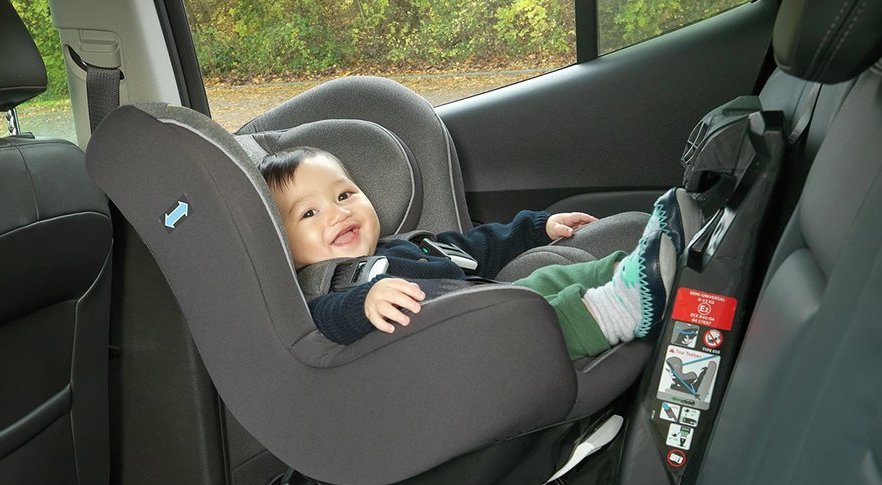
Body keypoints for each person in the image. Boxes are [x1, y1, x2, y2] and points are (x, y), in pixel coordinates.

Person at [259, 147, 698, 359]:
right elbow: (324, 319)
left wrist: (535, 228)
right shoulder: (322, 288)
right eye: (309, 213)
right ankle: (617, 310)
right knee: (536, 318)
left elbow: (477, 248)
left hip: (486, 308)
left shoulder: (404, 247)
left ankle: (635, 269)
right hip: (468, 348)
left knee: (546, 281)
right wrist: (365, 302)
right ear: (280, 245)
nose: (338, 213)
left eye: (344, 195)